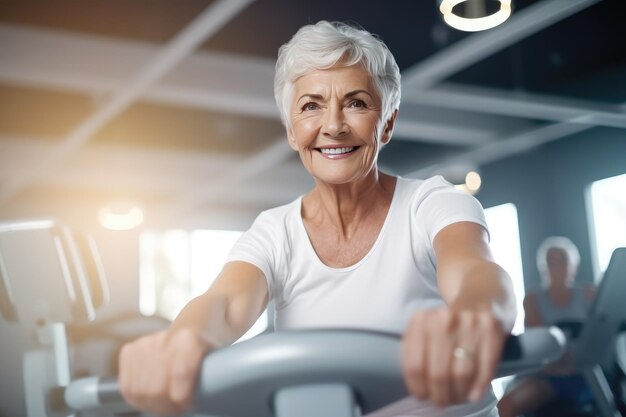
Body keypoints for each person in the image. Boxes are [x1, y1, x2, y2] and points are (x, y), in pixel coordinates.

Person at [118, 20, 517, 417]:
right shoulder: (275, 232)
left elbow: (473, 271)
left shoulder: (432, 203)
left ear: (388, 123)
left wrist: (475, 315)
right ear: (292, 131)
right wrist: (183, 340)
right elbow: (222, 303)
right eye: (311, 106)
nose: (333, 126)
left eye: (356, 103)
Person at [498, 236, 595, 417]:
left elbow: (600, 337)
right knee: (505, 406)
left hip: (587, 374)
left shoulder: (589, 293)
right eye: (551, 261)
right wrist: (558, 366)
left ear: (574, 264)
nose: (556, 266)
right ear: (543, 267)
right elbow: (542, 348)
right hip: (548, 376)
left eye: (562, 260)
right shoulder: (533, 299)